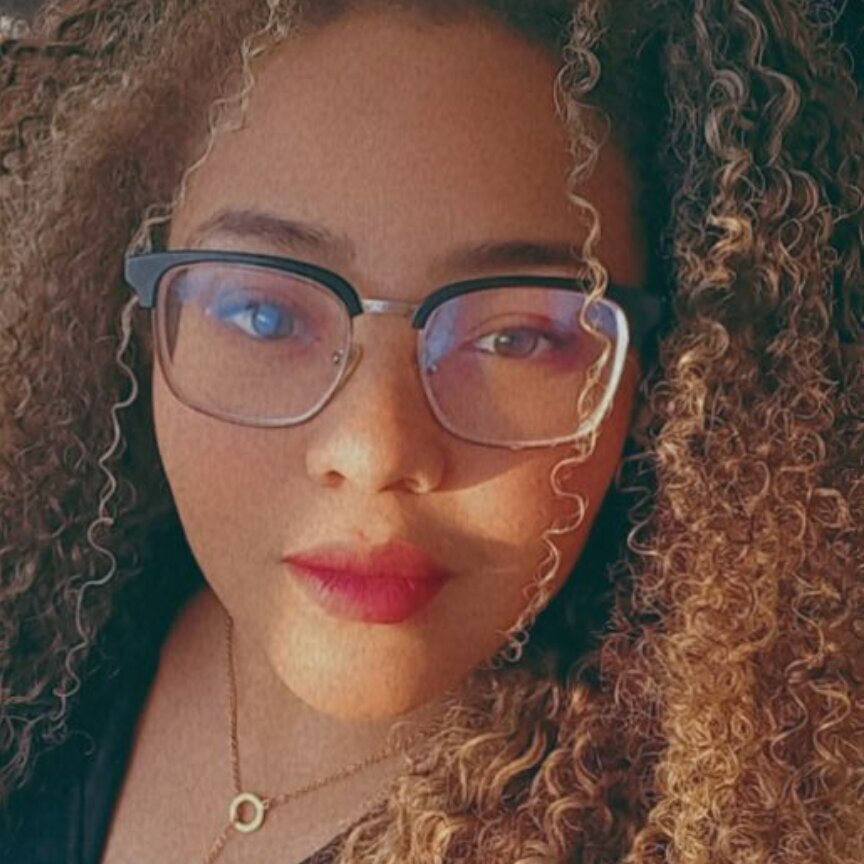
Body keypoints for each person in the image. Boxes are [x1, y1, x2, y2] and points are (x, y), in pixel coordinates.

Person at [0, 0, 861, 861]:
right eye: (264, 313)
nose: (373, 450)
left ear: (671, 377)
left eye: (515, 338)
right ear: (140, 314)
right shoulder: (48, 627)